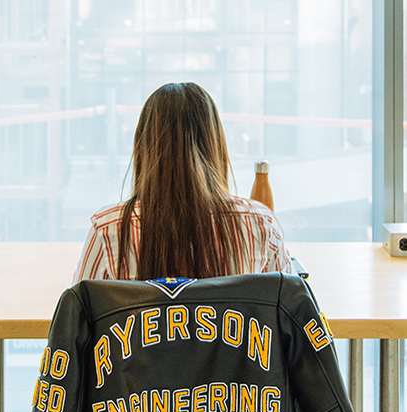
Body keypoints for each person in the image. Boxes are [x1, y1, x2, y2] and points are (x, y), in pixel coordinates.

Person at [74, 82, 294, 282]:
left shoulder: (108, 230)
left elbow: (76, 319)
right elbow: (290, 313)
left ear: (145, 147)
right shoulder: (261, 225)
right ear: (215, 144)